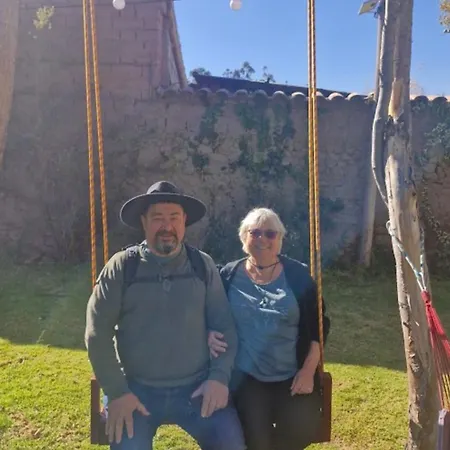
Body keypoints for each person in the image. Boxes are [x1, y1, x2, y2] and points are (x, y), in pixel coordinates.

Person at [85, 181, 246, 450]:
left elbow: (224, 327)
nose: (167, 226)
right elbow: (96, 334)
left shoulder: (202, 265)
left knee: (230, 445)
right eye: (158, 218)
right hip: (135, 389)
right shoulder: (122, 267)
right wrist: (117, 392)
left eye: (174, 217)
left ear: (184, 222)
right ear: (144, 222)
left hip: (196, 388)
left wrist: (218, 378)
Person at [208, 207, 331, 450]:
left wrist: (308, 371)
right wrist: (209, 333)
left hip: (292, 374)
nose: (262, 239)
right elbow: (211, 313)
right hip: (248, 377)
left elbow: (319, 326)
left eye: (270, 234)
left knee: (303, 427)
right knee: (255, 439)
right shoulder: (229, 275)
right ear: (244, 237)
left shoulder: (298, 276)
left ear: (280, 239)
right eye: (254, 232)